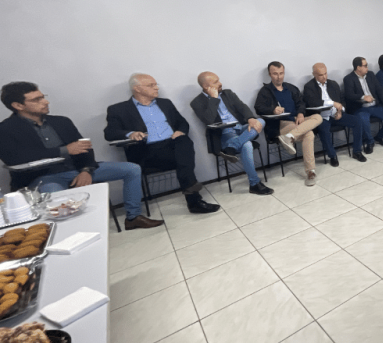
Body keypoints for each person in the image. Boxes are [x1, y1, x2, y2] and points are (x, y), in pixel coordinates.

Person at [0, 82, 164, 231]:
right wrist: (63, 150)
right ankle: (74, 234)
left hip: (77, 169)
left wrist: (86, 170)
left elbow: (83, 147)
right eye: (36, 100)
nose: (45, 102)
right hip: (43, 178)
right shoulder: (6, 129)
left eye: (43, 97)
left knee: (131, 169)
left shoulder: (61, 122)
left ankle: (133, 217)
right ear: (17, 105)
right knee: (57, 196)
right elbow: (14, 159)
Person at [104, 73, 219, 214]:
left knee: (184, 141)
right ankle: (193, 195)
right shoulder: (118, 109)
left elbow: (182, 123)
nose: (156, 88)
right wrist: (130, 134)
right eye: (151, 85)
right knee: (184, 158)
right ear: (137, 89)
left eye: (156, 84)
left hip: (171, 146)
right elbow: (109, 133)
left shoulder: (165, 103)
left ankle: (194, 200)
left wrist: (180, 131)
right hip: (146, 151)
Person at [190, 72, 273, 196]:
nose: (220, 83)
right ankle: (254, 184)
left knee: (260, 121)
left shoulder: (228, 93)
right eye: (216, 82)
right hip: (224, 134)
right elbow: (209, 120)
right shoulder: (197, 102)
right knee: (247, 145)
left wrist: (250, 118)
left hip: (241, 127)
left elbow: (242, 106)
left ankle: (232, 147)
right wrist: (213, 99)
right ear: (206, 87)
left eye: (219, 80)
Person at [254, 62, 323, 187]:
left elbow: (301, 103)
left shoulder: (291, 88)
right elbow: (258, 108)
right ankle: (311, 172)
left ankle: (290, 137)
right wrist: (273, 109)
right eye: (275, 74)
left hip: (297, 120)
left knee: (318, 117)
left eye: (281, 73)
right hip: (281, 124)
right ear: (270, 74)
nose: (279, 77)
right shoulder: (265, 91)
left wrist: (301, 113)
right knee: (309, 133)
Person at [302, 63, 367, 165]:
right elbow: (312, 103)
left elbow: (342, 100)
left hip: (336, 115)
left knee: (357, 121)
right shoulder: (309, 87)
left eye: (325, 73)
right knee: (323, 129)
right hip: (321, 117)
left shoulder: (333, 84)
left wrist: (340, 111)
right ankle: (332, 156)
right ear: (314, 74)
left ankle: (357, 151)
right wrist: (332, 103)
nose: (324, 77)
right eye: (320, 75)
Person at [343, 57, 383, 152]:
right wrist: (363, 97)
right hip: (360, 108)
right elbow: (349, 95)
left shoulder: (371, 75)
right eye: (365, 65)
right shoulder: (349, 79)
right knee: (363, 119)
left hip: (375, 106)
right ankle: (370, 141)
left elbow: (380, 90)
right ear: (358, 67)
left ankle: (380, 137)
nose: (367, 67)